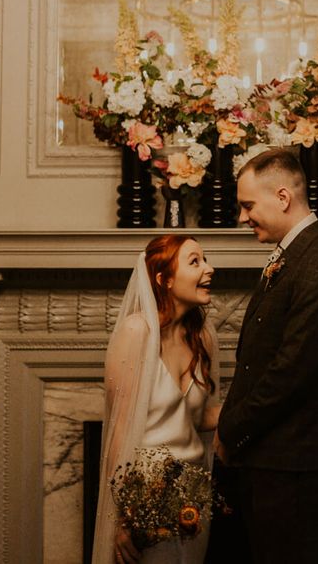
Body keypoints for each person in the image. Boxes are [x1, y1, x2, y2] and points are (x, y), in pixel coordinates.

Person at [215, 148, 318, 563]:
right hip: (273, 459)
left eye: (247, 206)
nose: (242, 218)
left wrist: (230, 429)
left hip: (296, 465)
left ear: (282, 198)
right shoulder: (296, 254)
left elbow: (292, 371)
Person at [93, 234, 222, 564]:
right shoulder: (137, 333)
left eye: (205, 259)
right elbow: (119, 432)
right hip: (145, 500)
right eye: (195, 262)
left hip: (195, 499)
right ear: (164, 279)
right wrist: (124, 519)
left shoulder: (203, 338)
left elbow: (194, 420)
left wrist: (264, 408)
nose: (209, 269)